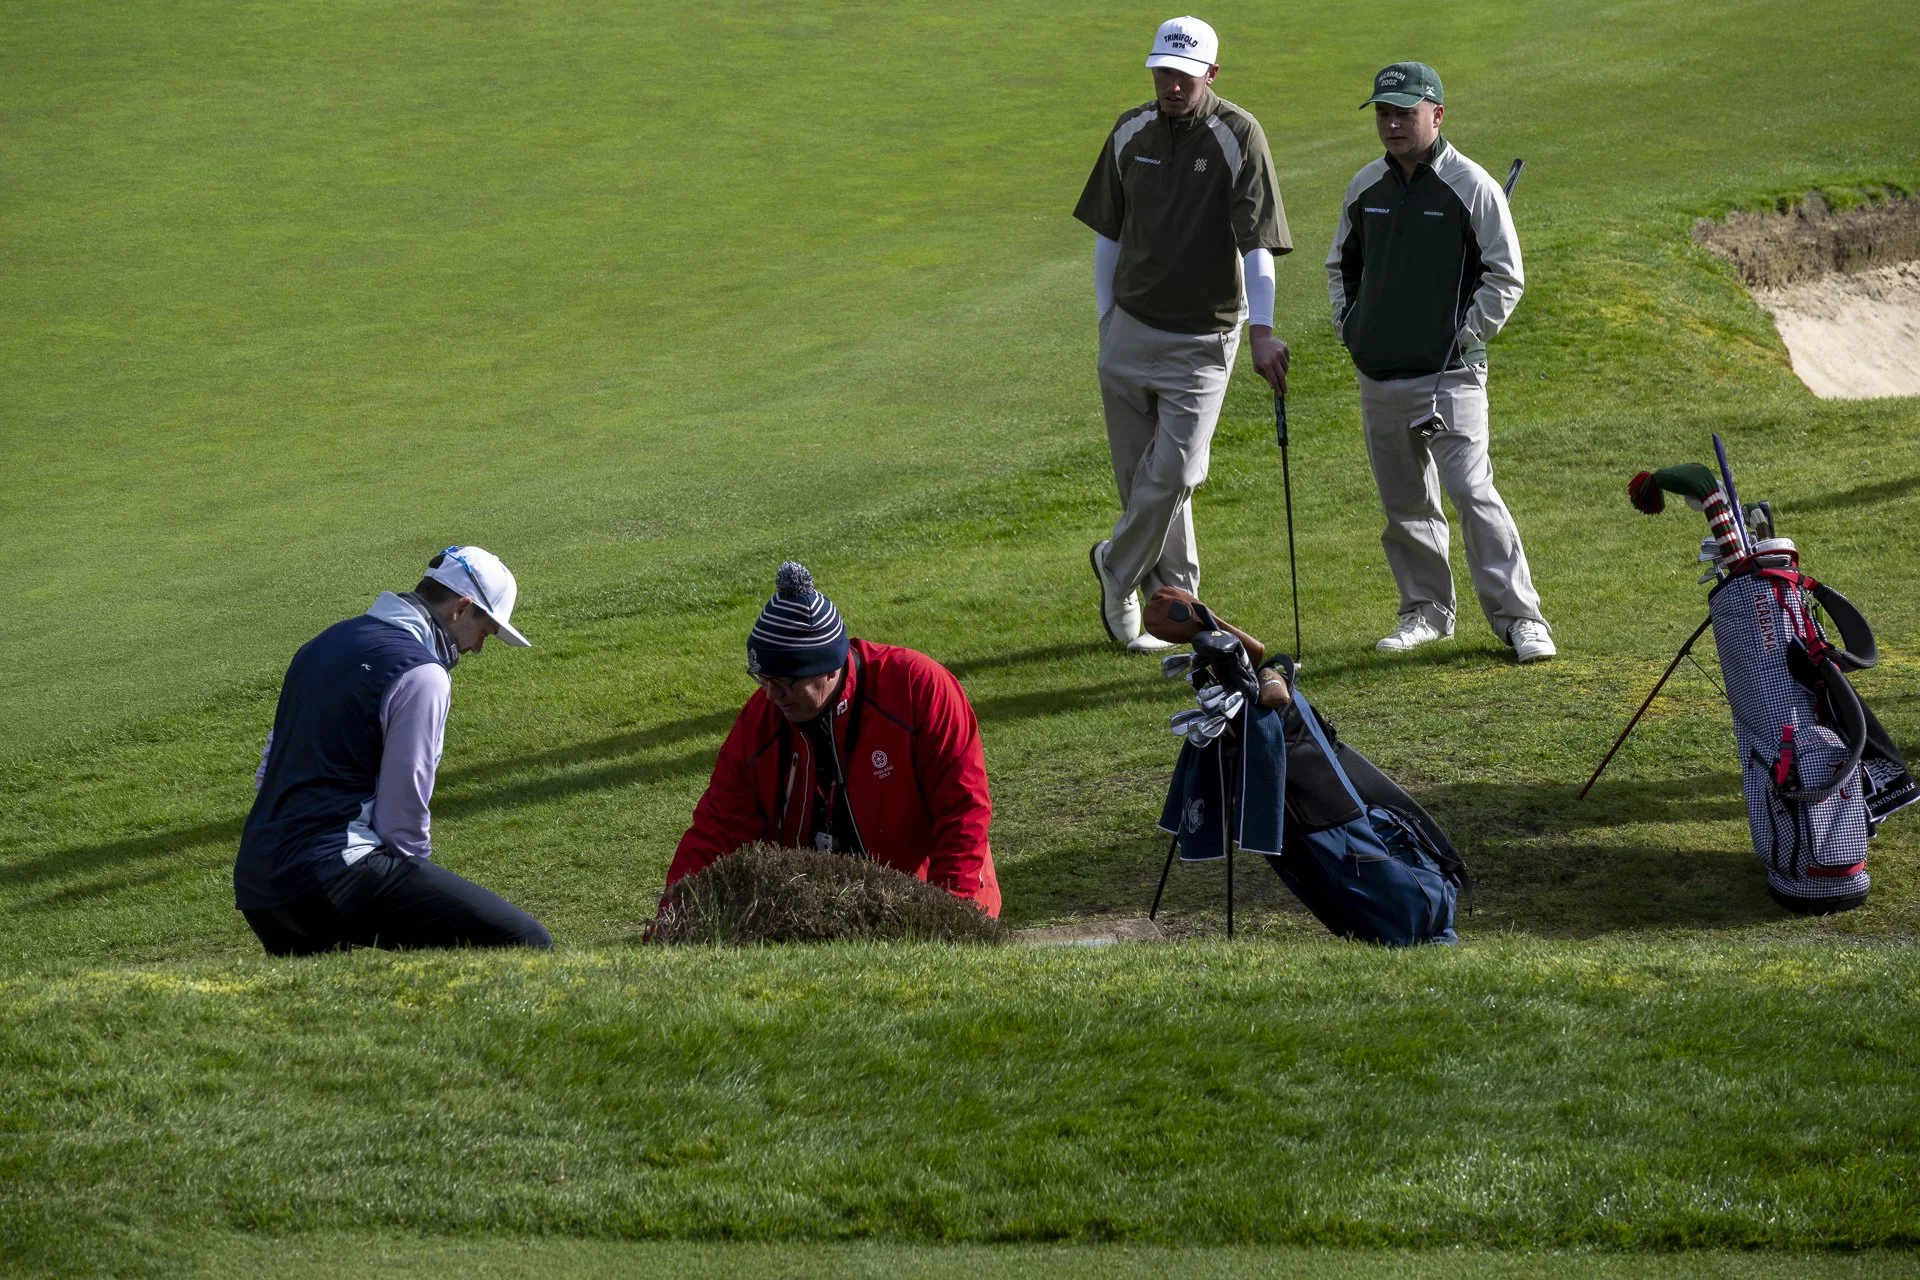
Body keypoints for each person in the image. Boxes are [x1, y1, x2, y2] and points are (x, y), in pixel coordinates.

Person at [1073, 15, 1293, 652]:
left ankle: (1116, 569)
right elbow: (1109, 233)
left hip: (1203, 340)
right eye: (1163, 72)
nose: (1172, 85)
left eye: (1185, 75)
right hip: (1128, 331)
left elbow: (1257, 246)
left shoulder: (1238, 135)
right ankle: (1173, 611)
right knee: (1143, 482)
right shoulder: (1129, 130)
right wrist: (1106, 318)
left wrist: (1262, 330)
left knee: (1173, 477)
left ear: (1211, 75)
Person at [1326, 62, 1555, 662]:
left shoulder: (1470, 184)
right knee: (1405, 504)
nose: (1392, 123)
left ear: (1437, 113)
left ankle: (1519, 618)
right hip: (1380, 373)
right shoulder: (1364, 187)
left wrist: (1461, 336)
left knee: (1471, 490)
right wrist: (1353, 329)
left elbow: (1505, 276)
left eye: (1404, 111)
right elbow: (1341, 268)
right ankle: (1426, 611)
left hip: (1449, 374)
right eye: (1383, 112)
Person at [233, 546, 552, 954]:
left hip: (259, 879)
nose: (477, 649)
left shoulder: (322, 643)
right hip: (334, 872)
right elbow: (405, 809)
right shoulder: (422, 673)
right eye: (484, 632)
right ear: (461, 608)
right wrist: (411, 888)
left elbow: (268, 770)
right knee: (525, 942)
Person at [663, 562, 1001, 916]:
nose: (771, 696)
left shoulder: (918, 689)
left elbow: (963, 812)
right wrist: (671, 920)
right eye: (762, 678)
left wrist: (948, 918)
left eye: (786, 681)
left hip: (927, 896)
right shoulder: (760, 721)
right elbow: (717, 830)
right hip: (820, 914)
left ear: (829, 667)